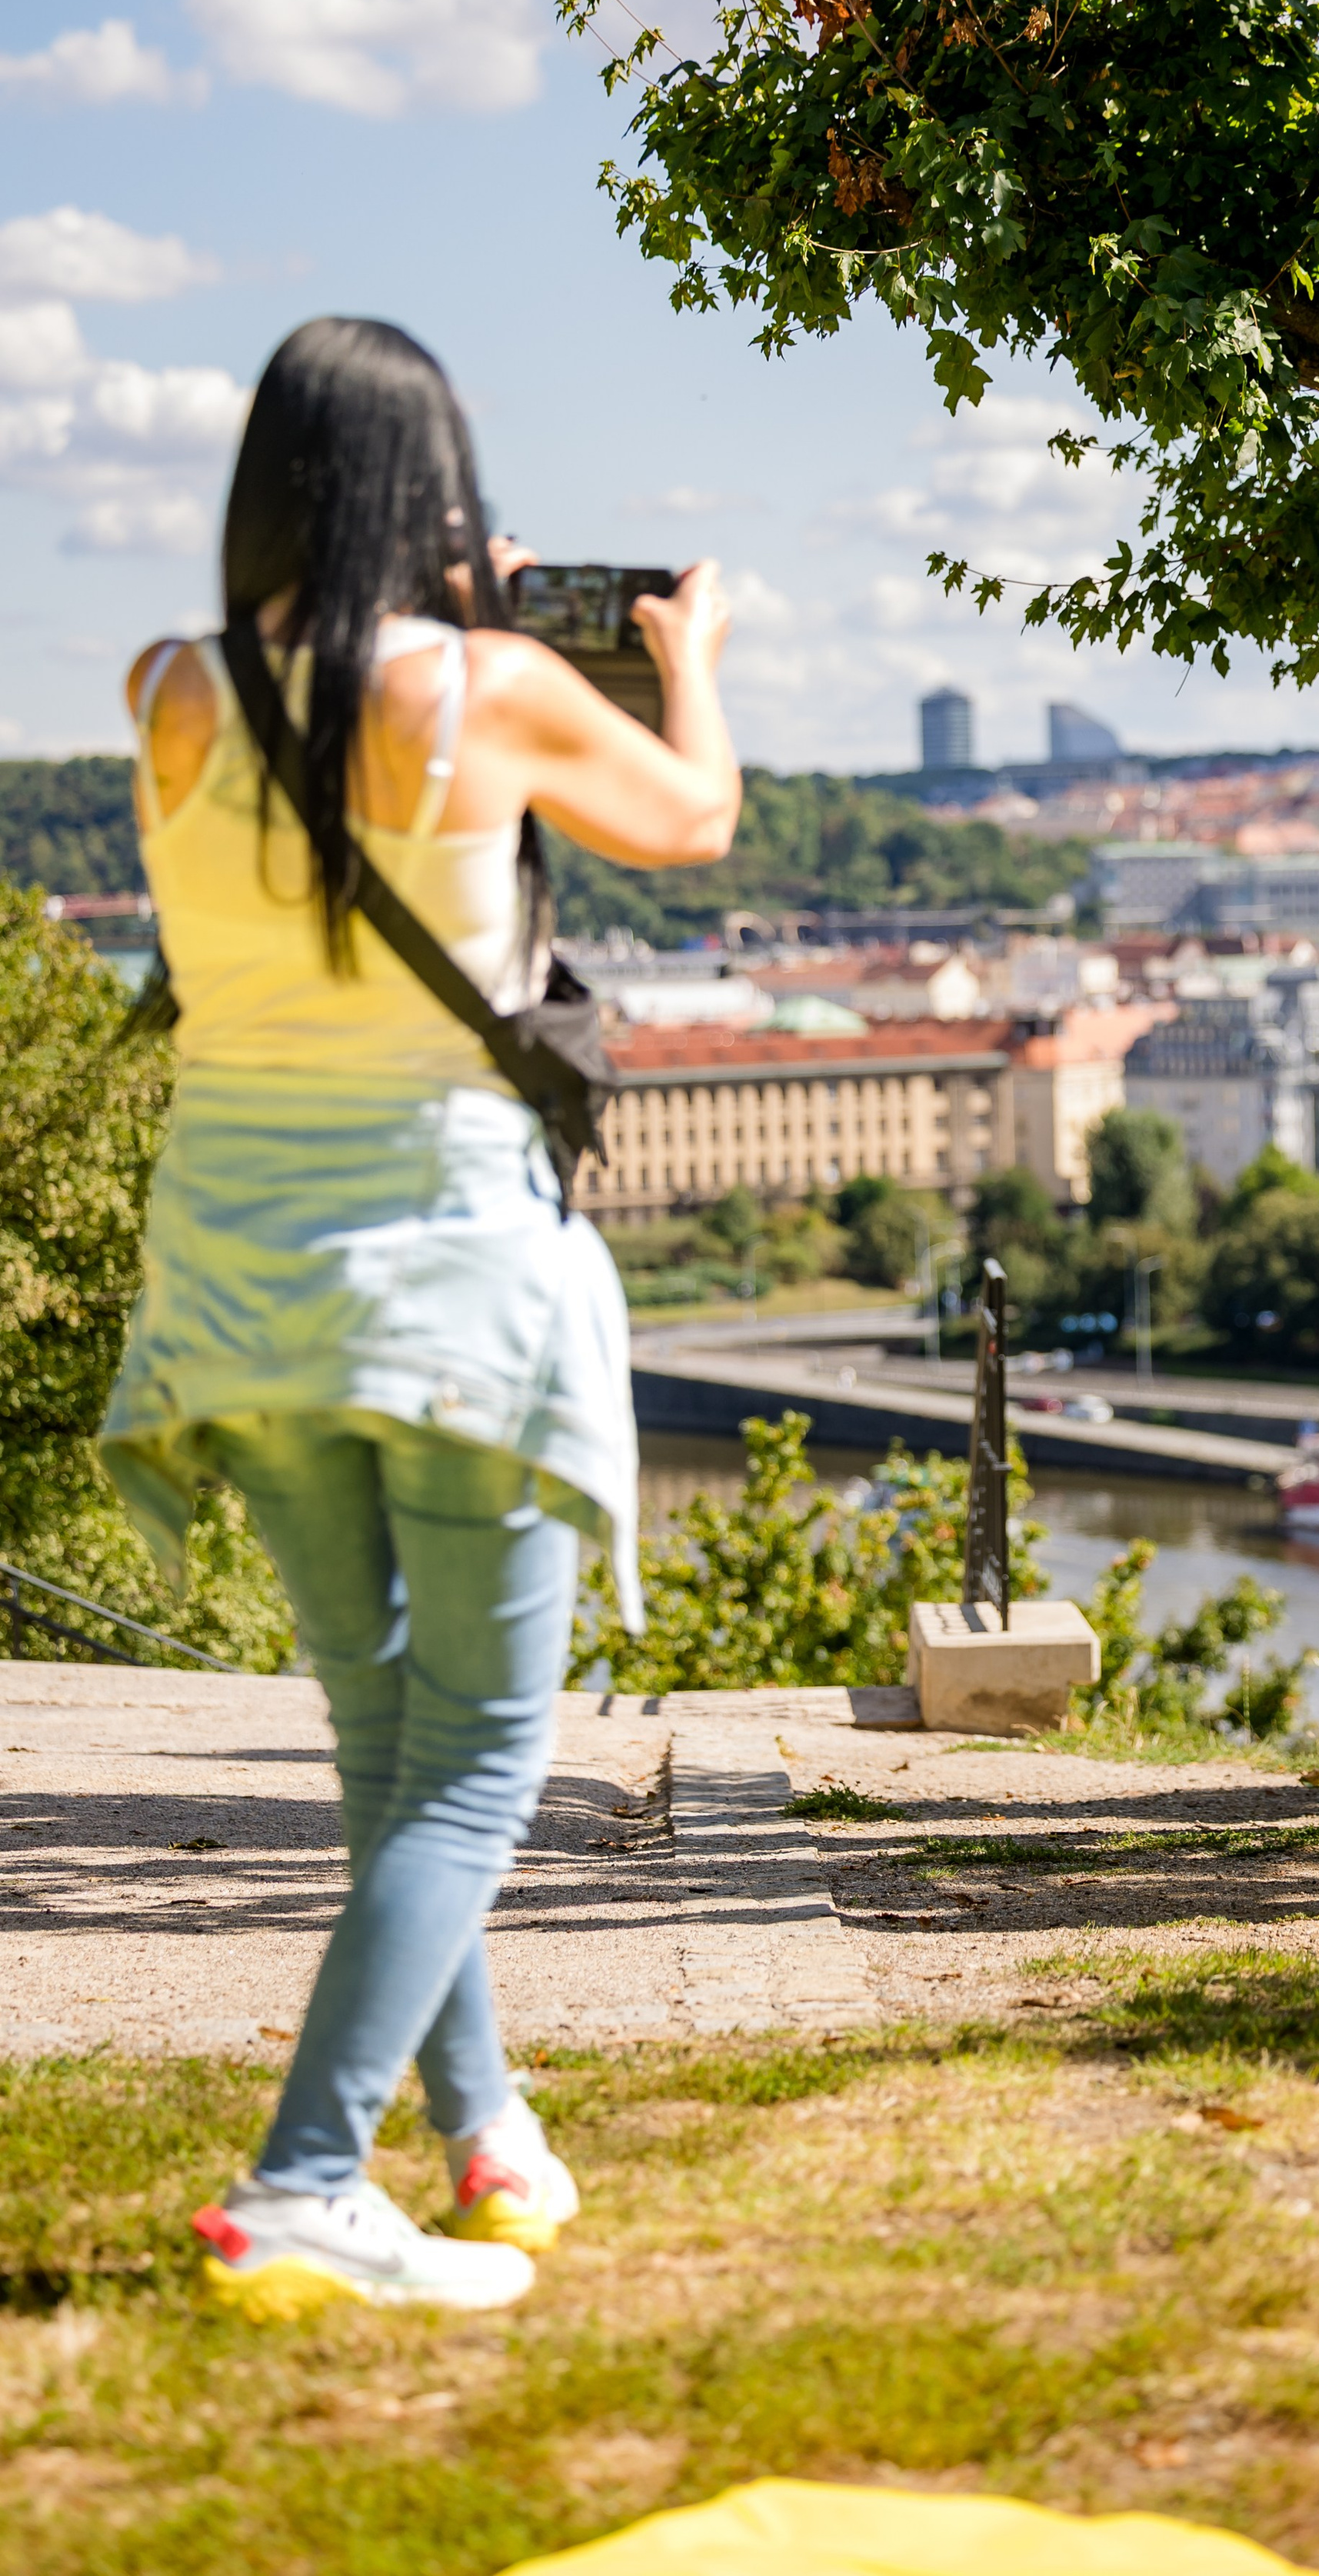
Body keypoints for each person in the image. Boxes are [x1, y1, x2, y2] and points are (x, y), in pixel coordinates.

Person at [102, 318, 741, 2318]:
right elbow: (690, 819)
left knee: (389, 1736)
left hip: (234, 1274)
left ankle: (485, 2134)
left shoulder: (166, 691)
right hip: (450, 1274)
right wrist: (690, 650)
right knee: (477, 1752)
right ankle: (304, 2178)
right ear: (441, 490)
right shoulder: (489, 686)